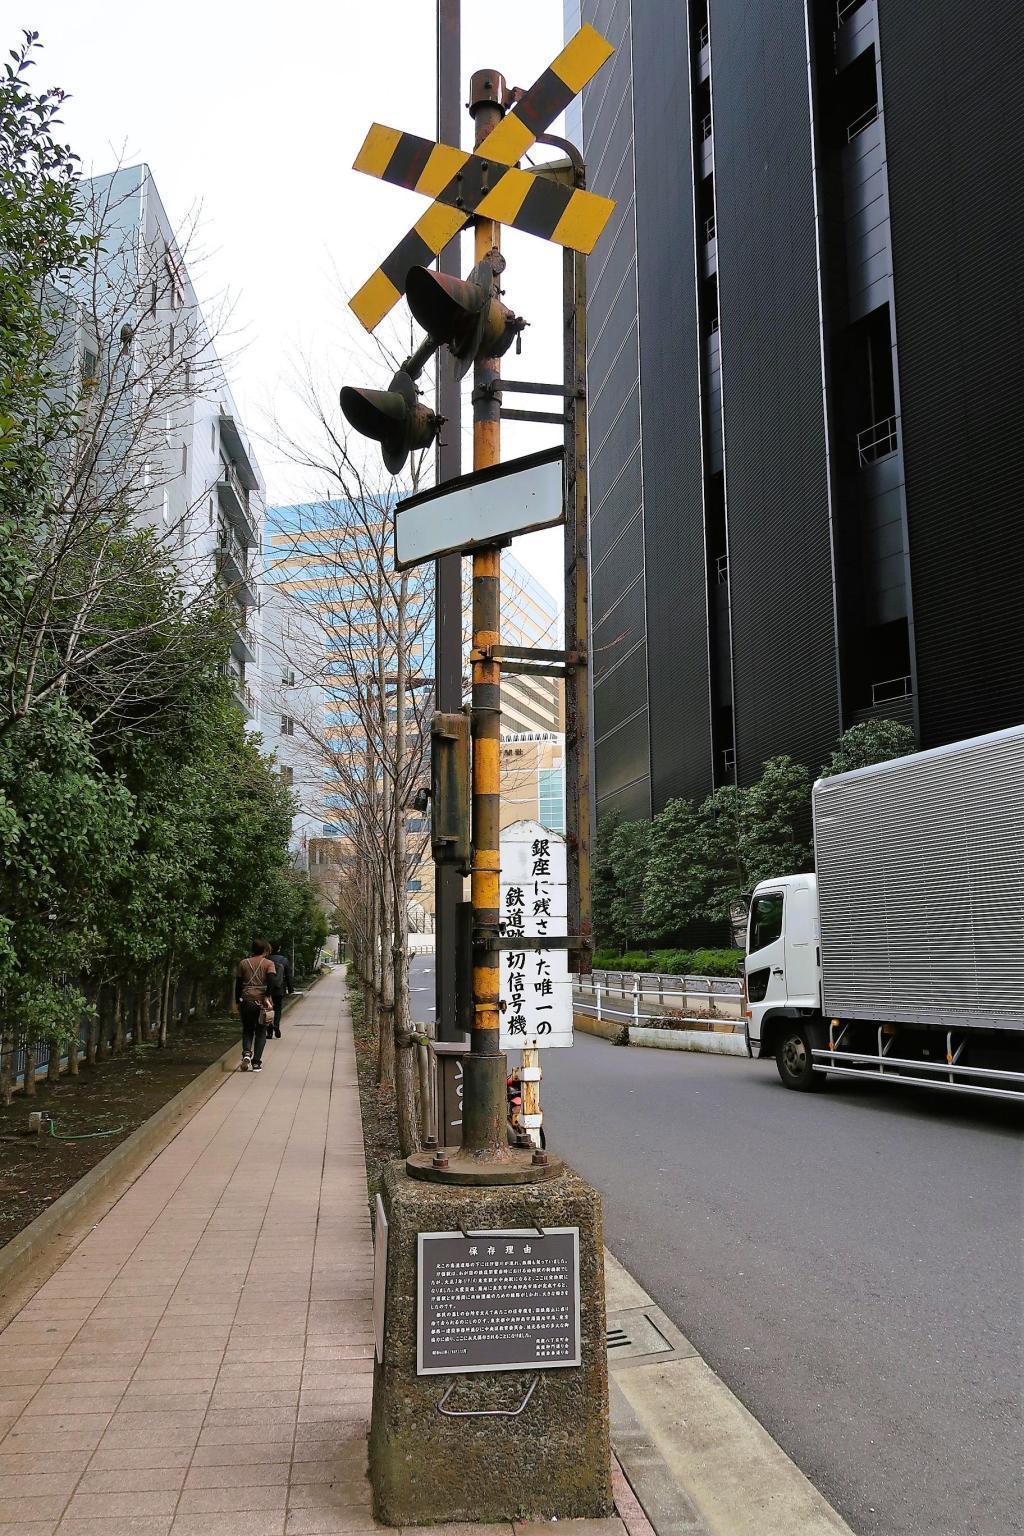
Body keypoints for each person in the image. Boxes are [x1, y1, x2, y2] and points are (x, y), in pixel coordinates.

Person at [235, 939, 276, 1072]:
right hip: (261, 1001)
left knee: (247, 1029)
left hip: (246, 1000)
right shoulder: (269, 964)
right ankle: (256, 1062)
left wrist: (237, 1000)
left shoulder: (243, 963)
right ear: (265, 950)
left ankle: (246, 1053)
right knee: (261, 1031)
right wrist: (267, 997)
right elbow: (271, 982)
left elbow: (238, 983)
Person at [267, 943, 294, 1038]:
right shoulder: (284, 960)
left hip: (267, 989)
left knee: (267, 1009)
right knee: (277, 1009)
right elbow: (288, 976)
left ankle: (269, 1030)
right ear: (279, 948)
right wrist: (290, 989)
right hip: (279, 988)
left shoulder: (266, 959)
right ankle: (276, 1026)